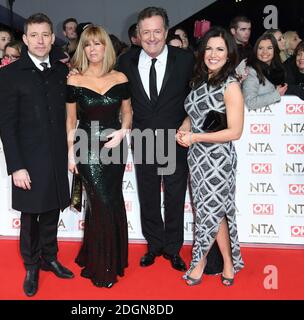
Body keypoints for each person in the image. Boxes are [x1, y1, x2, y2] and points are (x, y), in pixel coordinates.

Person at [0, 13, 74, 297]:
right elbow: (7, 125)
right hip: (28, 160)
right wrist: (16, 166)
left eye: (45, 35)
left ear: (53, 38)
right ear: (25, 39)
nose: (40, 41)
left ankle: (50, 257)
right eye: (34, 35)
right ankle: (31, 265)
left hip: (56, 157)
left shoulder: (62, 72)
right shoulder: (10, 74)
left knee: (52, 210)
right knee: (30, 217)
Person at [117, 7, 194, 272]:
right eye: (146, 32)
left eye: (157, 31)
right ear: (137, 34)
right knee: (148, 195)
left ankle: (173, 248)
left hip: (175, 140)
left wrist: (189, 121)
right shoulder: (125, 61)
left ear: (166, 32)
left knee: (174, 197)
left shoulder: (185, 59)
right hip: (144, 139)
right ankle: (154, 245)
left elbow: (199, 96)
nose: (151, 37)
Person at [176, 27, 245, 287]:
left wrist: (196, 137)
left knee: (210, 212)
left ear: (229, 55)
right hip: (197, 159)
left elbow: (235, 132)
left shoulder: (231, 86)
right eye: (209, 48)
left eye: (220, 49)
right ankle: (229, 262)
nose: (213, 54)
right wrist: (185, 127)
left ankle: (200, 261)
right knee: (214, 213)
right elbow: (194, 114)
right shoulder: (199, 81)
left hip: (219, 160)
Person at [66, 25, 132, 288]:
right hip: (87, 146)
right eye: (87, 45)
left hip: (115, 145)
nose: (93, 49)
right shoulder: (74, 79)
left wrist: (122, 132)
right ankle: (103, 266)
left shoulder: (120, 78)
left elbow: (127, 111)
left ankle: (107, 257)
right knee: (101, 201)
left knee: (112, 200)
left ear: (106, 47)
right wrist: (71, 153)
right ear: (82, 49)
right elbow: (71, 119)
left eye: (98, 44)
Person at [242, 34, 288, 110]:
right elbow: (250, 102)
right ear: (256, 50)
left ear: (275, 50)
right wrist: (276, 94)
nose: (264, 52)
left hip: (277, 117)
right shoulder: (251, 71)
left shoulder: (279, 69)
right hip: (257, 119)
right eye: (260, 48)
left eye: (269, 48)